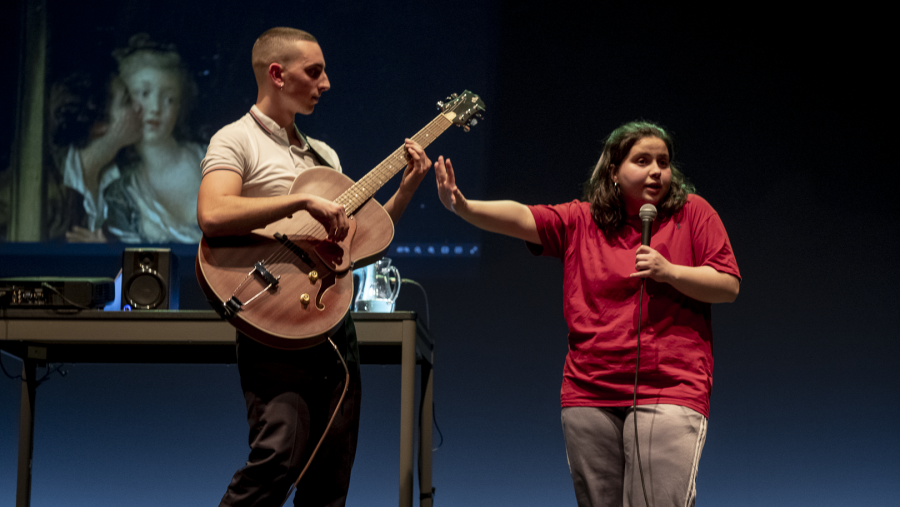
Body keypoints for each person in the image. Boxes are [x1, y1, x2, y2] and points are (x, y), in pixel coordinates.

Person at [435, 121, 740, 507]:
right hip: (589, 392)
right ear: (613, 170)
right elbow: (522, 217)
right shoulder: (582, 220)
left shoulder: (693, 214)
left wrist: (670, 271)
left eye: (663, 162)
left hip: (669, 388)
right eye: (642, 160)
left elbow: (727, 284)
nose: (656, 171)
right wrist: (462, 206)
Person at [197, 27, 431, 507]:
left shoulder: (324, 156)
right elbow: (213, 214)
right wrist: (298, 201)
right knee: (276, 458)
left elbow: (355, 243)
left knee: (331, 474)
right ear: (277, 74)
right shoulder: (235, 139)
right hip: (273, 320)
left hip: (330, 326)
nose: (325, 84)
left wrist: (405, 189)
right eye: (314, 71)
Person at [102, 34, 205, 243]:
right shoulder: (120, 191)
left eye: (169, 99)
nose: (156, 108)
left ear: (180, 107)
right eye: (144, 93)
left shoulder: (211, 159)